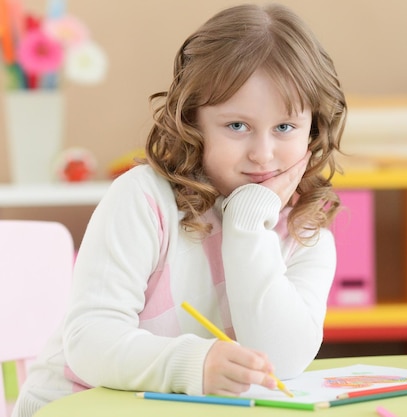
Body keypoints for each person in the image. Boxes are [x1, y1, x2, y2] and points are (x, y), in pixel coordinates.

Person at [12, 4, 346, 416]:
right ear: (193, 121)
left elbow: (281, 359)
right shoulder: (143, 199)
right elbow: (90, 341)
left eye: (284, 128)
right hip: (72, 406)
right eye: (237, 126)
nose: (263, 154)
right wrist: (193, 365)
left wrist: (247, 225)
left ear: (313, 130)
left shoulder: (306, 233)